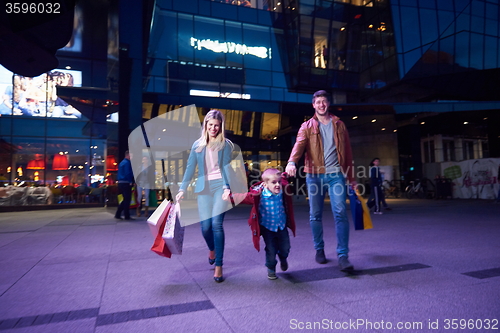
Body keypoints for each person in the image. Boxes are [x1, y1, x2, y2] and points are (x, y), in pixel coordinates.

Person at [285, 90, 356, 271]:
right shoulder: (307, 126)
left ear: (328, 103)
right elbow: (299, 145)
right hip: (314, 176)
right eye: (318, 102)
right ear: (313, 105)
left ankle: (343, 256)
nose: (321, 105)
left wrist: (352, 178)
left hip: (336, 176)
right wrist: (292, 162)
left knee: (340, 212)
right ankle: (319, 249)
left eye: (324, 101)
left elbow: (347, 151)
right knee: (315, 214)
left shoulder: (339, 124)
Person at [176, 110, 233, 283]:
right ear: (205, 125)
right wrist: (182, 189)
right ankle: (212, 249)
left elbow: (226, 168)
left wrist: (227, 188)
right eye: (210, 125)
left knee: (217, 224)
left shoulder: (226, 145)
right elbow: (190, 168)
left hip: (219, 187)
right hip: (203, 189)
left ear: (220, 126)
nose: (213, 128)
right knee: (205, 228)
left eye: (216, 125)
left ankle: (219, 266)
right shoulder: (197, 145)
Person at [224, 169, 296, 280]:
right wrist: (229, 197)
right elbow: (243, 197)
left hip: (281, 226)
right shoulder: (258, 195)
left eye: (279, 182)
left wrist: (289, 170)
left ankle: (283, 257)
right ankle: (271, 267)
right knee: (271, 249)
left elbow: (284, 176)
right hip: (267, 227)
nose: (277, 185)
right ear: (265, 184)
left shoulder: (283, 190)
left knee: (286, 247)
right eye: (273, 182)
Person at [115, 150, 135, 220]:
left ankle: (118, 213)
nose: (132, 157)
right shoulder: (127, 163)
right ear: (128, 155)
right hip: (126, 182)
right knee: (127, 199)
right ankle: (126, 215)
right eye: (131, 155)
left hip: (121, 182)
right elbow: (128, 173)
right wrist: (130, 181)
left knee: (125, 199)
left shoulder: (122, 163)